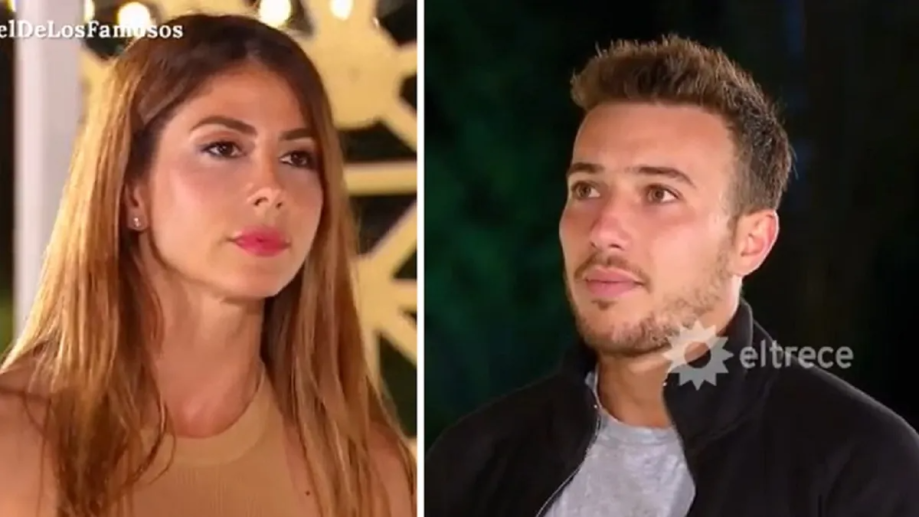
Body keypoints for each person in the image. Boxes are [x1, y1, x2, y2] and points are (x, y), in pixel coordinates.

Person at [426, 35, 919, 517]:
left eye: (659, 194)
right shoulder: (473, 461)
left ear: (751, 242)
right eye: (586, 189)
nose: (603, 230)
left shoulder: (860, 467)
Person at [0, 13, 414, 517]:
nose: (271, 189)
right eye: (224, 148)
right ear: (131, 189)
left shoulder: (364, 469)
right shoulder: (16, 440)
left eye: (298, 157)